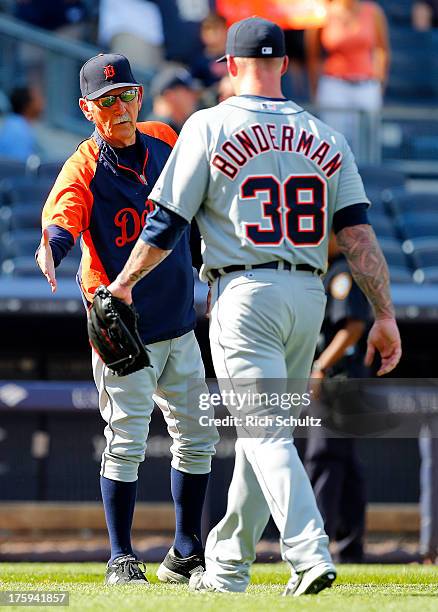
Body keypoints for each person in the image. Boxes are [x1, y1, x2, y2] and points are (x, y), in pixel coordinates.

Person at [105, 17, 402, 595]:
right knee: (263, 435)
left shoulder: (210, 125)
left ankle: (310, 551)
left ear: (232, 66)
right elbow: (360, 238)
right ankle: (228, 566)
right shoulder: (327, 135)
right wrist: (385, 314)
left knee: (264, 433)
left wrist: (123, 283)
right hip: (308, 297)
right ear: (285, 65)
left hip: (245, 295)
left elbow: (167, 223)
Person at [36, 53, 218, 586]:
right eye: (107, 100)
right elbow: (62, 213)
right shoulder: (85, 164)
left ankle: (186, 551)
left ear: (140, 96)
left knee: (197, 437)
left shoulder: (163, 136)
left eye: (128, 95)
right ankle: (121, 556)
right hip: (125, 331)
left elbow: (199, 193)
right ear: (87, 109)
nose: (120, 107)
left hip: (179, 322)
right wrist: (54, 246)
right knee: (126, 441)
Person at [305, 231, 370, 563]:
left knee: (324, 457)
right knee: (344, 463)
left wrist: (319, 367)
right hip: (344, 382)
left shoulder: (343, 271)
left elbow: (353, 327)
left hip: (339, 382)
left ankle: (316, 542)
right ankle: (349, 545)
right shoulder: (329, 269)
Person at [306, 0, 389, 154]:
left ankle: (365, 179)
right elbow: (313, 55)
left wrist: (379, 83)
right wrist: (315, 89)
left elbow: (382, 49)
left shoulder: (373, 11)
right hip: (333, 85)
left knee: (367, 146)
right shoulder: (323, 12)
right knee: (332, 144)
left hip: (367, 85)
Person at [148, 67, 201, 133]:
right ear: (170, 95)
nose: (194, 97)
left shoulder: (176, 126)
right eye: (188, 92)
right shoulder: (158, 132)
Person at [0, 85, 44, 161]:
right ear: (28, 105)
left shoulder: (15, 124)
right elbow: (19, 168)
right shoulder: (18, 132)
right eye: (37, 98)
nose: (42, 101)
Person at [190, 13, 229, 87]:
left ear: (226, 30)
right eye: (207, 31)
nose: (211, 35)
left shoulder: (236, 55)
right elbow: (196, 86)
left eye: (215, 30)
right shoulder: (199, 60)